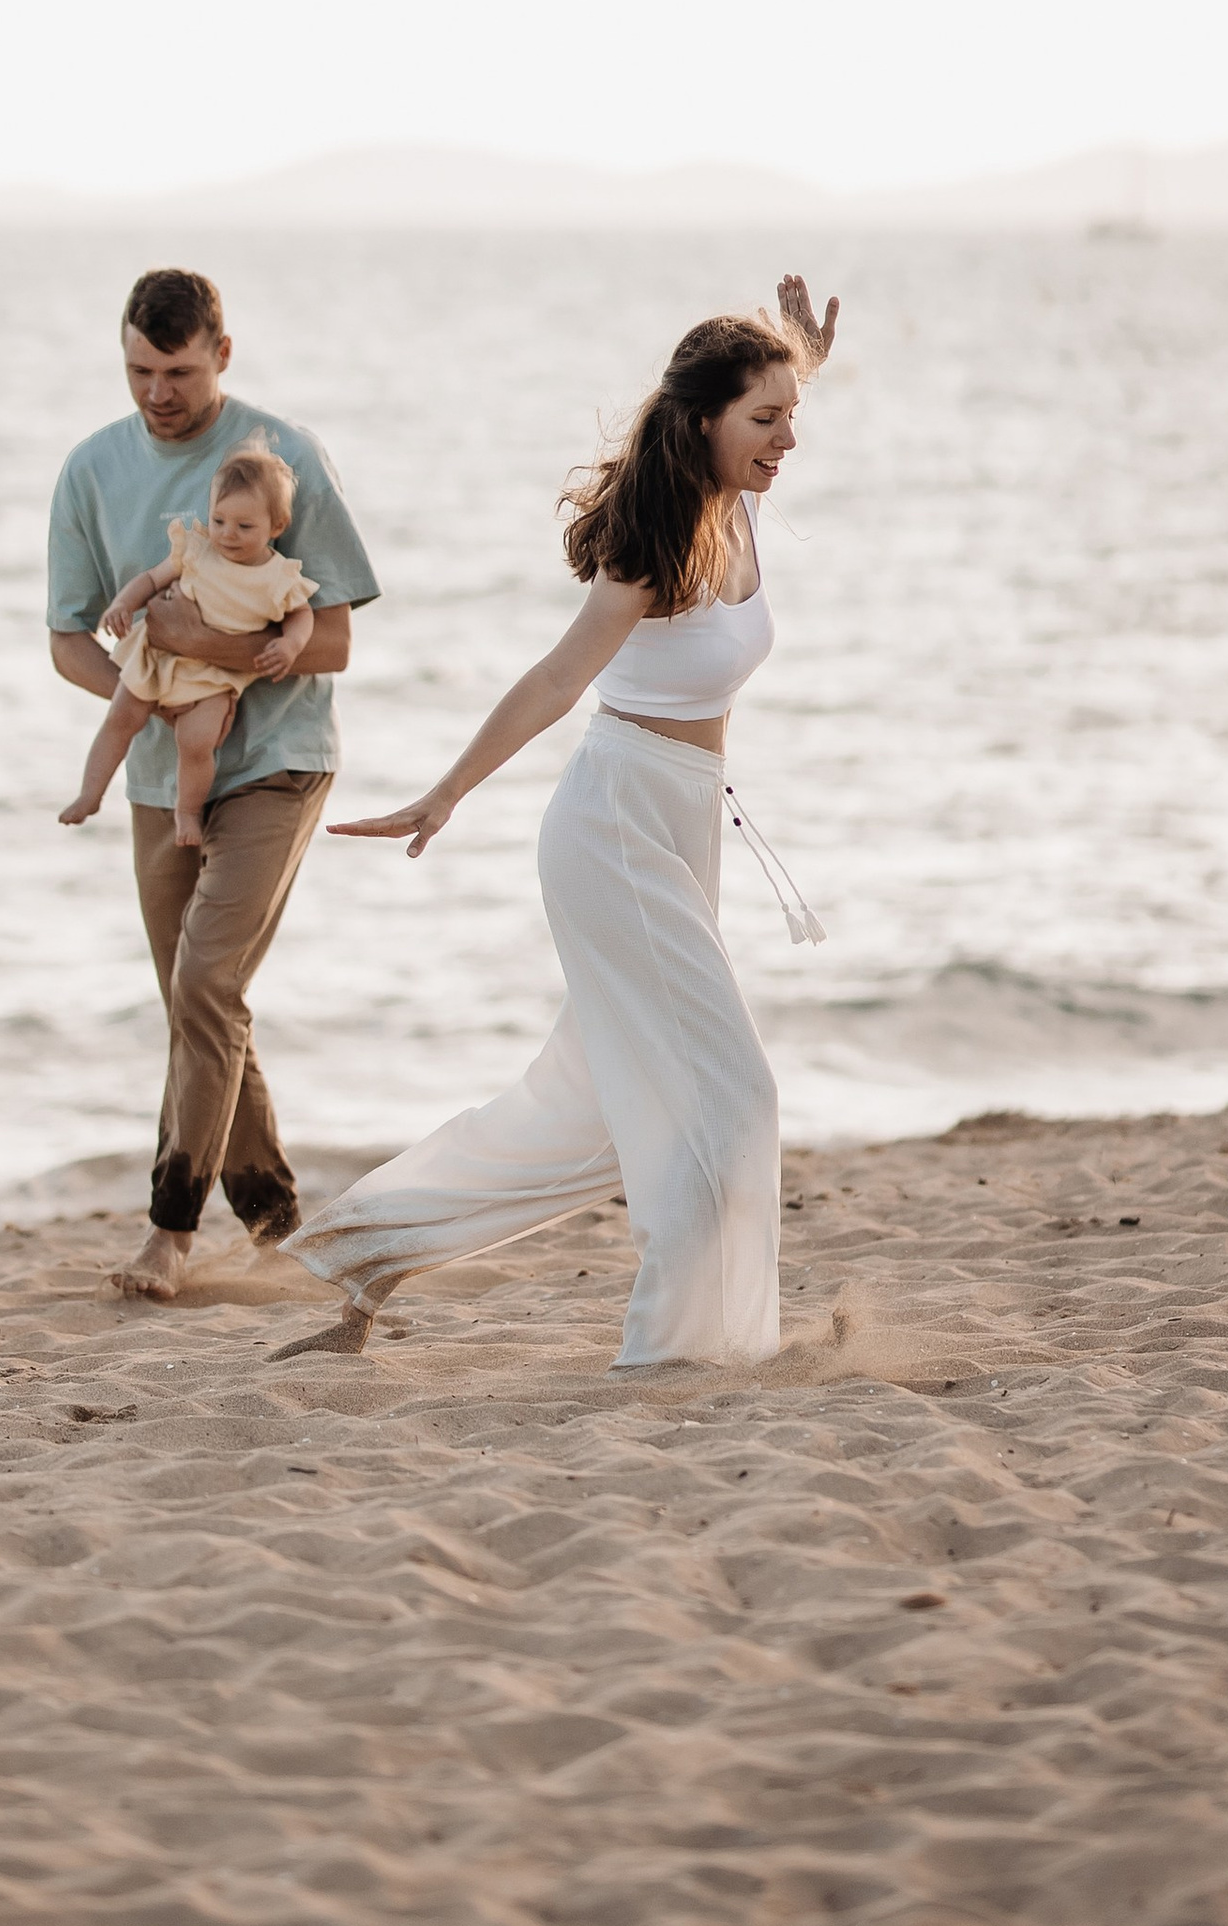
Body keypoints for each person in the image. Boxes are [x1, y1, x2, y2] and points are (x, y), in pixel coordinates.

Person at [280, 280, 835, 1370]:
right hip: (615, 826)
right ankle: (676, 1356)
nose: (787, 439)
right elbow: (553, 680)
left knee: (585, 1113)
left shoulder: (740, 495)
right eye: (766, 419)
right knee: (732, 1094)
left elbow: (753, 392)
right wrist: (445, 791)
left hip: (681, 828)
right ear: (705, 424)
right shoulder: (653, 537)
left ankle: (362, 1252)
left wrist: (797, 357)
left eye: (790, 414)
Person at [48, 267, 380, 1299]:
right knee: (198, 1001)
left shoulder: (285, 460)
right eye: (140, 369)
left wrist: (212, 661)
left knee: (204, 985)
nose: (158, 391)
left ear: (221, 356)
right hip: (159, 773)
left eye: (179, 371)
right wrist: (147, 690)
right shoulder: (91, 470)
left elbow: (331, 639)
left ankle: (171, 1227)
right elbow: (68, 640)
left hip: (278, 764)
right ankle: (279, 1218)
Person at [74, 443, 321, 851]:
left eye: (245, 526)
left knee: (197, 741)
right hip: (158, 657)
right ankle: (90, 792)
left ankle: (187, 810)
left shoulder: (277, 576)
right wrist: (122, 604)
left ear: (276, 526)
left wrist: (291, 645)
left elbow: (301, 614)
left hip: (215, 676)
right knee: (120, 718)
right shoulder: (197, 549)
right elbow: (151, 581)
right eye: (219, 519)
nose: (227, 533)